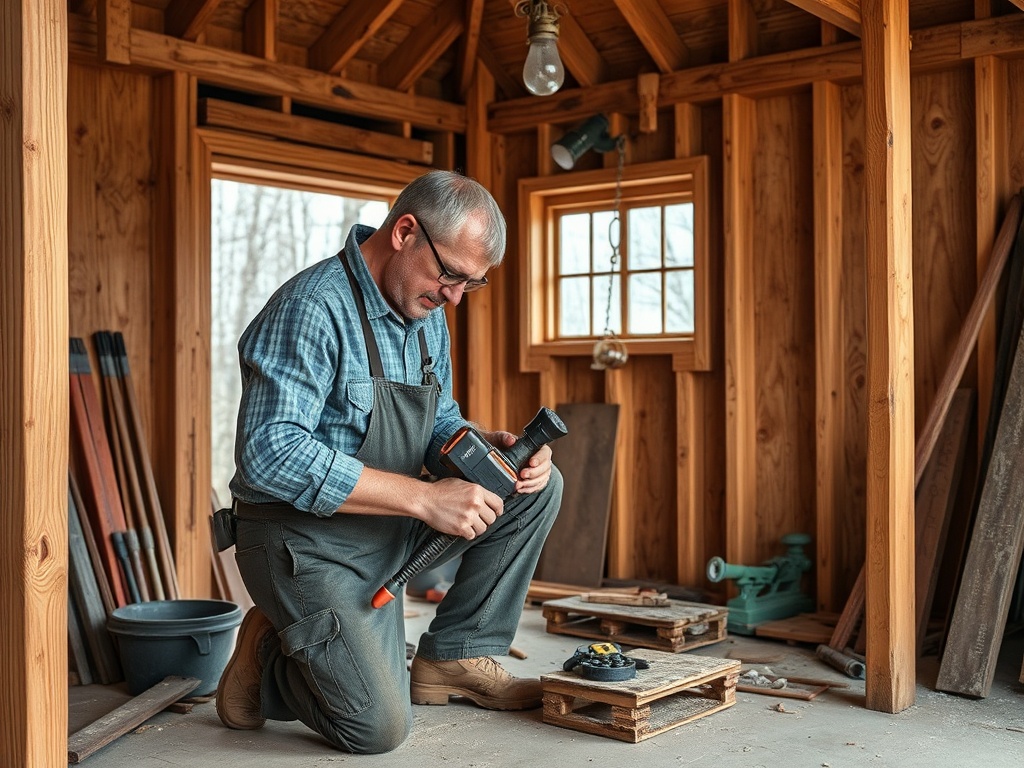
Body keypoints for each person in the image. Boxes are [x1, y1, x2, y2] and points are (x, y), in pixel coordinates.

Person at [216, 170, 563, 754]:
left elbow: (438, 425)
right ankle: (272, 651)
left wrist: (488, 452)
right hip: (302, 542)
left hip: (383, 527)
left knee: (535, 487)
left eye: (470, 285)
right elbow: (268, 453)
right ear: (405, 231)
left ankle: (454, 654)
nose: (453, 296)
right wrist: (427, 498)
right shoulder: (311, 308)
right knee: (377, 729)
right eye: (450, 274)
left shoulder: (426, 316)